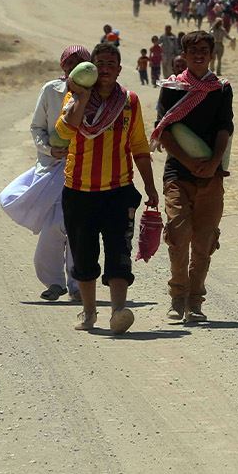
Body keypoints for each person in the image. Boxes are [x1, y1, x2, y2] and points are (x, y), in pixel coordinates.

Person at [54, 43, 158, 334]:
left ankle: (118, 312)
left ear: (120, 69)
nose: (107, 68)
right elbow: (64, 130)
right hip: (78, 192)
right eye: (101, 63)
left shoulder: (129, 101)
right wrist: (84, 96)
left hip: (118, 191)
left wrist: (150, 185)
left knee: (119, 253)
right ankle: (89, 313)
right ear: (92, 67)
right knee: (84, 255)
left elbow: (138, 146)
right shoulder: (74, 97)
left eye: (112, 63)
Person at [153, 30, 235, 324]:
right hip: (178, 172)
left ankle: (195, 301)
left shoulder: (221, 89)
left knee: (204, 241)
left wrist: (213, 163)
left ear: (211, 54)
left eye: (204, 49)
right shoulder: (172, 88)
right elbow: (163, 131)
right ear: (184, 55)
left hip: (212, 176)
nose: (199, 54)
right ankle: (177, 298)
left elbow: (225, 128)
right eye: (193, 50)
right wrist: (187, 159)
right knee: (178, 234)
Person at [0, 46, 91, 301]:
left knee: (77, 227)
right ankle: (55, 282)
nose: (73, 66)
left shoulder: (97, 95)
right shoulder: (51, 91)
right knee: (53, 226)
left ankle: (77, 285)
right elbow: (37, 127)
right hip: (53, 168)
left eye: (79, 62)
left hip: (85, 169)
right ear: (62, 66)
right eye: (69, 62)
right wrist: (50, 149)